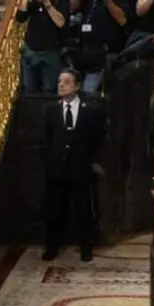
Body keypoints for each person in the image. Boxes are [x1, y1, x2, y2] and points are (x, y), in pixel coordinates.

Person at [42, 69, 105, 263]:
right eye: (60, 81)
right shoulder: (50, 111)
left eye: (66, 82)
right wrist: (49, 164)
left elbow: (98, 138)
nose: (61, 85)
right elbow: (46, 141)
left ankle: (86, 248)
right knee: (54, 211)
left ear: (77, 86)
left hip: (81, 169)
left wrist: (91, 161)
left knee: (83, 211)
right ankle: (51, 247)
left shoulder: (91, 110)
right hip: (57, 171)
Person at [70, 0, 129, 94]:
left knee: (88, 93)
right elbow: (72, 9)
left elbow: (123, 20)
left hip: (104, 53)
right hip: (84, 51)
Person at [17, 0, 69, 94]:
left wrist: (46, 1)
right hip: (31, 53)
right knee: (29, 90)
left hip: (50, 54)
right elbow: (20, 17)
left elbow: (61, 23)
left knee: (49, 91)